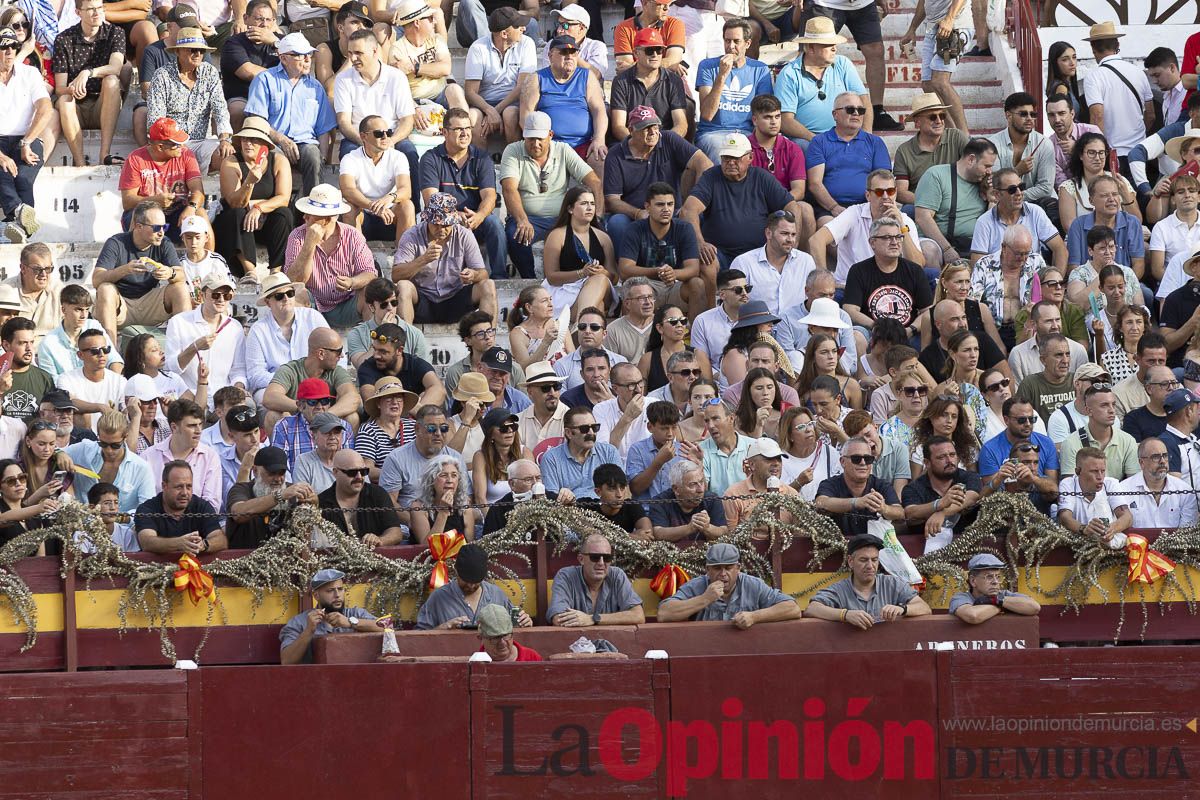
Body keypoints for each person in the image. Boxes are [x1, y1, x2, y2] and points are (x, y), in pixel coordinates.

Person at [499, 110, 602, 279]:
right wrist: (522, 219)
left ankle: (591, 279)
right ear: (524, 136)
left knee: (599, 230)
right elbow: (509, 189)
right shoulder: (513, 150)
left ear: (550, 135)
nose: (536, 143)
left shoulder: (563, 149)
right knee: (515, 233)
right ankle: (529, 281)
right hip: (528, 217)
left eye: (540, 138)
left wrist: (597, 215)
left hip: (562, 217)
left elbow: (594, 182)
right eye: (531, 138)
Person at [680, 132, 800, 273]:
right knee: (707, 263)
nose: (731, 162)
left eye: (736, 158)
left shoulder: (762, 178)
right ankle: (712, 296)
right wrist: (700, 243)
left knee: (804, 208)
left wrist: (794, 242)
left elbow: (792, 205)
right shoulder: (711, 177)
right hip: (720, 252)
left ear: (750, 157)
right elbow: (688, 210)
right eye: (726, 158)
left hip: (760, 253)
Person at [603, 108, 709, 253]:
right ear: (631, 130)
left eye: (655, 126)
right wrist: (637, 213)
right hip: (636, 216)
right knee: (617, 222)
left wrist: (693, 200)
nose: (653, 132)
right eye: (645, 128)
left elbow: (704, 163)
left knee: (696, 216)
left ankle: (685, 268)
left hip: (671, 211)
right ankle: (624, 268)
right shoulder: (616, 154)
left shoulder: (669, 139)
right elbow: (612, 200)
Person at [243, 32, 337, 196]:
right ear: (283, 58)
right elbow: (256, 120)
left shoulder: (315, 87)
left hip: (305, 144)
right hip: (272, 143)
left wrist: (322, 158)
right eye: (300, 55)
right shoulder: (265, 79)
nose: (308, 59)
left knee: (313, 155)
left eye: (309, 54)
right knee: (275, 157)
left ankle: (313, 210)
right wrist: (280, 138)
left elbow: (323, 129)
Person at [394, 189, 503, 327]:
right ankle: (406, 343)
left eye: (446, 225)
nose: (441, 229)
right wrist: (422, 260)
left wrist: (473, 275)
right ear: (427, 220)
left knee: (488, 285)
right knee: (403, 286)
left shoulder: (464, 234)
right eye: (436, 224)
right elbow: (396, 275)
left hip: (455, 300)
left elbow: (483, 274)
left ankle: (488, 341)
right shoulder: (411, 235)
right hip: (423, 301)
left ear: (453, 222)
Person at [418, 108, 506, 277]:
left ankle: (499, 277)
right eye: (458, 129)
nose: (465, 133)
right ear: (444, 132)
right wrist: (455, 215)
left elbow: (490, 196)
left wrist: (479, 216)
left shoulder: (482, 158)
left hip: (475, 218)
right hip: (444, 221)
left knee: (494, 223)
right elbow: (431, 199)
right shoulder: (431, 158)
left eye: (468, 128)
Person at [808, 168, 926, 289]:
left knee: (930, 277)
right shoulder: (854, 214)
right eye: (880, 192)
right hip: (851, 288)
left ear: (895, 193)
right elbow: (816, 240)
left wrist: (901, 227)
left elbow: (917, 266)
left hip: (889, 292)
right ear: (868, 195)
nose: (886, 197)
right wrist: (824, 280)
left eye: (890, 191)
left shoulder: (904, 221)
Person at [91, 200, 190, 344]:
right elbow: (96, 280)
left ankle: (183, 349)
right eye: (156, 227)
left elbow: (181, 275)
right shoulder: (116, 242)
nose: (161, 233)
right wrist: (124, 270)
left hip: (150, 304)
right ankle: (110, 355)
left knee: (180, 288)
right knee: (105, 289)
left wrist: (170, 273)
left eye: (165, 227)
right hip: (121, 306)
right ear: (138, 226)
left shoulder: (165, 243)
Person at [284, 184, 377, 328]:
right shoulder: (297, 236)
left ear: (327, 219)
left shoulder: (352, 235)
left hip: (347, 304)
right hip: (312, 305)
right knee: (297, 293)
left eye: (310, 214)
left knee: (371, 291)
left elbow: (370, 273)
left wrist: (352, 282)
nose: (304, 217)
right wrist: (309, 244)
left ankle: (373, 345)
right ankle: (298, 347)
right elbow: (293, 281)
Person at [213, 117, 296, 277]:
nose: (248, 143)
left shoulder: (279, 160)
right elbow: (235, 202)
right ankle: (250, 272)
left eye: (254, 139)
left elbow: (283, 198)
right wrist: (249, 182)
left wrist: (258, 208)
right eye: (245, 138)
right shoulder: (231, 162)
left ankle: (276, 272)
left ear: (264, 143)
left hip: (266, 223)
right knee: (237, 213)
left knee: (284, 214)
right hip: (237, 227)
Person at [332, 27, 418, 178]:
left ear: (375, 51)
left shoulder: (396, 77)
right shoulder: (343, 79)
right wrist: (365, 142)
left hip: (391, 137)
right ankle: (353, 201)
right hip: (359, 138)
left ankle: (413, 202)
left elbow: (407, 120)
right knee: (347, 153)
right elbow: (343, 122)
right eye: (350, 53)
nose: (352, 59)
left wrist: (391, 141)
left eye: (358, 53)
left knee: (409, 152)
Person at [146, 27, 231, 175]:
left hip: (202, 142)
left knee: (227, 155)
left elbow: (220, 108)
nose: (198, 54)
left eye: (201, 50)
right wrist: (175, 144)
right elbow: (156, 120)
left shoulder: (210, 72)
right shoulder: (162, 76)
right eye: (192, 49)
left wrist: (224, 138)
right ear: (178, 52)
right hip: (171, 143)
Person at [774, 17, 869, 148]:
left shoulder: (843, 63)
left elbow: (864, 100)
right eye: (828, 44)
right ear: (811, 48)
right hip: (808, 139)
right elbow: (785, 120)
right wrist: (817, 139)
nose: (834, 48)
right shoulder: (789, 73)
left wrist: (866, 137)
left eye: (834, 44)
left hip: (847, 135)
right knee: (803, 146)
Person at [519, 34, 607, 175]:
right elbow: (525, 116)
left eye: (573, 53)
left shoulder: (587, 76)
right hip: (549, 145)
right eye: (564, 52)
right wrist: (541, 142)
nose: (569, 57)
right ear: (550, 55)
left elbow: (599, 110)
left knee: (600, 159)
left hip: (583, 144)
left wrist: (599, 139)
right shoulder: (537, 78)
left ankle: (599, 198)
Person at [52, 0, 126, 167]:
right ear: (78, 12)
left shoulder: (116, 33)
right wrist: (72, 89)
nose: (97, 13)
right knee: (64, 99)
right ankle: (79, 162)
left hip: (103, 105)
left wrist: (88, 72)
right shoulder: (63, 39)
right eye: (91, 9)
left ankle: (104, 154)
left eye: (99, 8)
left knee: (112, 81)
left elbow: (116, 67)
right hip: (75, 107)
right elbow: (59, 88)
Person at [616, 182, 706, 320]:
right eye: (660, 205)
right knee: (632, 288)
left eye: (670, 204)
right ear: (647, 207)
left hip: (674, 285)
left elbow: (693, 269)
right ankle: (631, 335)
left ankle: (695, 338)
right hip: (645, 285)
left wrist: (673, 273)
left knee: (697, 284)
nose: (666, 209)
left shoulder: (684, 229)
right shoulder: (634, 229)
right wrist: (657, 272)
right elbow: (624, 270)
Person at [657, 542, 801, 627]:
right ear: (708, 569)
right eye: (717, 568)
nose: (723, 573)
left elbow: (793, 609)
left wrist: (754, 616)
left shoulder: (752, 584)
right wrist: (705, 599)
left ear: (738, 568)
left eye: (728, 568)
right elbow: (664, 613)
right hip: (706, 652)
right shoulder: (697, 586)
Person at [805, 533, 931, 627]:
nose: (870, 566)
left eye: (874, 560)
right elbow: (811, 609)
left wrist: (902, 609)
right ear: (850, 561)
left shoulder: (892, 583)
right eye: (863, 560)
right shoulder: (839, 589)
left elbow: (924, 608)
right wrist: (845, 615)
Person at [694, 18, 772, 163]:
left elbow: (764, 112)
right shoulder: (707, 66)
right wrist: (722, 76)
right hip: (713, 133)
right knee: (722, 153)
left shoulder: (760, 70)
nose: (730, 46)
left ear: (747, 44)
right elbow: (707, 114)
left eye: (736, 41)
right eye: (727, 41)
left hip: (747, 133)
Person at [117, 116, 207, 241]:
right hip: (146, 215)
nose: (182, 146)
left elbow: (198, 191)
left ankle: (207, 259)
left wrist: (191, 207)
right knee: (137, 215)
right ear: (160, 146)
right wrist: (154, 201)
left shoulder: (186, 154)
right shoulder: (135, 159)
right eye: (176, 144)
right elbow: (127, 202)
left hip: (177, 214)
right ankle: (134, 255)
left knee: (201, 214)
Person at [163, 273, 246, 406]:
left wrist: (238, 387)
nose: (221, 299)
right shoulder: (179, 322)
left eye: (227, 296)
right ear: (202, 295)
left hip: (224, 398)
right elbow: (170, 369)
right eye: (215, 295)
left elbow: (239, 370)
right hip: (189, 396)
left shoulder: (235, 327)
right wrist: (194, 347)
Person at [264, 331, 361, 445]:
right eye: (338, 351)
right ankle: (279, 458)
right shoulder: (290, 370)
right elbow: (269, 397)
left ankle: (343, 457)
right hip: (297, 424)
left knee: (352, 417)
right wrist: (305, 410)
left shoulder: (336, 371)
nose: (342, 355)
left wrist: (324, 416)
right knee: (273, 416)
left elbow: (353, 398)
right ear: (321, 353)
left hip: (328, 426)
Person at [806, 92, 891, 221]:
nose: (856, 113)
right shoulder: (819, 142)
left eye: (861, 110)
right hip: (829, 209)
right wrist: (834, 207)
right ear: (835, 114)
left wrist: (871, 209)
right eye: (850, 109)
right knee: (826, 225)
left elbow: (883, 181)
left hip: (868, 207)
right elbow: (815, 184)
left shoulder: (875, 142)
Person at [244, 273, 328, 404]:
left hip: (315, 383)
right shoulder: (258, 330)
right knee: (270, 404)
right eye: (279, 296)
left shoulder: (313, 317)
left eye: (290, 293)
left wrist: (318, 381)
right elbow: (255, 375)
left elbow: (335, 353)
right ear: (267, 302)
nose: (286, 298)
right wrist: (288, 381)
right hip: (276, 387)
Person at [0, 25, 50, 244]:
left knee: (20, 178)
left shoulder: (29, 73)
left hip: (26, 138)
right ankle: (21, 218)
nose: (10, 51)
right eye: (3, 47)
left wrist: (26, 141)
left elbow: (46, 108)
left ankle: (14, 220)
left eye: (13, 46)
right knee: (4, 172)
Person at [1080, 22, 1154, 165]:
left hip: (1113, 153)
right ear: (1117, 45)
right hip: (1139, 151)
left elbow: (1097, 117)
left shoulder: (1094, 77)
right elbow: (1150, 115)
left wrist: (1099, 152)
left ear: (1093, 48)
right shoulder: (1138, 73)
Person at [843, 217, 934, 334]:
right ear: (872, 243)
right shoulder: (858, 270)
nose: (894, 242)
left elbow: (927, 311)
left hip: (908, 333)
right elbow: (850, 309)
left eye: (898, 237)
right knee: (857, 336)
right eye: (887, 238)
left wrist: (911, 330)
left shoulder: (915, 270)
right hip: (873, 332)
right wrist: (878, 327)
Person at [915, 138, 998, 264]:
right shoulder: (936, 175)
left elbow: (995, 224)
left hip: (975, 243)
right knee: (929, 250)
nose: (989, 171)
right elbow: (923, 218)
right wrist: (946, 249)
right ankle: (936, 283)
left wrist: (993, 198)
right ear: (971, 159)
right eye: (986, 166)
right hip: (939, 242)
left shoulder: (986, 183)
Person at [541, 189, 617, 323]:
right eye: (584, 203)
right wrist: (582, 273)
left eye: (592, 204)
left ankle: (579, 325)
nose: (589, 208)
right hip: (565, 292)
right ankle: (581, 328)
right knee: (597, 307)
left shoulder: (603, 237)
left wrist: (602, 272)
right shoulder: (557, 235)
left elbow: (614, 277)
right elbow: (551, 277)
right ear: (570, 209)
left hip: (599, 288)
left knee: (600, 278)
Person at [339, 114, 416, 245]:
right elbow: (347, 190)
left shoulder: (398, 157)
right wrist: (373, 206)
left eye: (388, 132)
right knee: (349, 208)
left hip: (390, 213)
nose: (385, 137)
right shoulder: (350, 158)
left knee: (407, 206)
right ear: (363, 136)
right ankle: (355, 258)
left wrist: (389, 198)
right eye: (379, 133)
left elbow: (406, 190)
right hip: (363, 213)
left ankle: (404, 259)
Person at [417, 543, 532, 630]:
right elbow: (418, 637)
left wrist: (525, 622)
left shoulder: (497, 595)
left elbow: (513, 629)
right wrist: (442, 628)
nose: (471, 585)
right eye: (466, 580)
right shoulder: (438, 598)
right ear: (456, 571)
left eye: (476, 581)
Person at [226, 445, 319, 550]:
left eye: (282, 473)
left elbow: (305, 536)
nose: (278, 479)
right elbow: (238, 513)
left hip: (285, 560)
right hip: (243, 560)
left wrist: (313, 504)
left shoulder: (292, 492)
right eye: (272, 473)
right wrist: (280, 496)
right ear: (255, 471)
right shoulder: (241, 489)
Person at [463, 7, 533, 146]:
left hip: (513, 103)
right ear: (504, 34)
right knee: (472, 117)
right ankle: (481, 164)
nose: (523, 29)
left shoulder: (527, 43)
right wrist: (489, 110)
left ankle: (513, 160)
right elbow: (470, 92)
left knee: (510, 114)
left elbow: (521, 87)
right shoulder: (478, 48)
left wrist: (496, 111)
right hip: (483, 104)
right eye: (518, 26)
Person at [279, 569, 381, 664]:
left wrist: (350, 622)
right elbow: (287, 661)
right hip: (316, 679)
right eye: (330, 590)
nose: (337, 595)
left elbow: (387, 626)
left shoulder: (355, 614)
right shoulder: (299, 622)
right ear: (316, 595)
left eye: (340, 589)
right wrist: (308, 631)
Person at [379, 404, 468, 513]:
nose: (438, 434)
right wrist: (415, 522)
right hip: (408, 524)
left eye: (444, 428)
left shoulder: (455, 458)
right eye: (431, 428)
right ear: (417, 429)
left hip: (450, 521)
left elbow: (466, 497)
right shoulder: (396, 458)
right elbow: (390, 502)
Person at [61, 408, 154, 513]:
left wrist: (122, 519)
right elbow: (49, 452)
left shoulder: (141, 468)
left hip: (122, 528)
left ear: (125, 437)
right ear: (98, 437)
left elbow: (148, 509)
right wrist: (59, 454)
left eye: (115, 445)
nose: (109, 450)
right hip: (81, 525)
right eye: (103, 444)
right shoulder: (84, 449)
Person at [970, 168, 1066, 268]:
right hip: (999, 281)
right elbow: (977, 266)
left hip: (1034, 279)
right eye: (1012, 190)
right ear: (997, 195)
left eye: (1021, 187)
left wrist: (1055, 280)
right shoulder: (984, 222)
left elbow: (1060, 249)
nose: (1019, 193)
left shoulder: (1035, 212)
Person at [898, 0, 969, 132]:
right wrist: (912, 29)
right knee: (928, 84)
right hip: (933, 27)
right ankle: (952, 134)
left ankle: (965, 138)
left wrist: (949, 19)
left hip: (955, 25)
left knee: (940, 82)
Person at [546, 532, 645, 626]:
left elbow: (638, 615)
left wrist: (592, 619)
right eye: (595, 557)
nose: (601, 563)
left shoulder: (617, 575)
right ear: (581, 559)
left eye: (607, 558)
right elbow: (558, 618)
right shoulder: (566, 576)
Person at [984, 92, 1057, 220]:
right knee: (992, 204)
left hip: (1036, 202)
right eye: (1023, 114)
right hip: (1004, 203)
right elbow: (994, 184)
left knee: (1051, 204)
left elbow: (1045, 188)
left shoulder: (1044, 144)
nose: (1029, 118)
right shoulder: (993, 144)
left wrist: (1016, 196)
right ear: (1009, 116)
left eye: (1032, 114)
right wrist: (1017, 171)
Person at [731, 209, 816, 318]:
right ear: (768, 233)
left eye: (793, 234)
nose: (790, 239)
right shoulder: (743, 263)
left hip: (797, 331)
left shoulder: (806, 261)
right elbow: (733, 305)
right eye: (785, 233)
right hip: (756, 331)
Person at [814, 436, 905, 537]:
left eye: (868, 459)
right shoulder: (830, 484)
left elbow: (900, 512)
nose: (863, 463)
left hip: (875, 547)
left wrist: (884, 508)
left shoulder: (881, 485)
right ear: (842, 462)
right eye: (856, 459)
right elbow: (821, 502)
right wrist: (857, 502)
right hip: (838, 546)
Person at [391, 0, 468, 117]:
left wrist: (414, 67)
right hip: (414, 100)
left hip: (441, 94)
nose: (435, 21)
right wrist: (413, 107)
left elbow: (445, 69)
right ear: (417, 22)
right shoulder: (397, 49)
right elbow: (395, 89)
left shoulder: (436, 40)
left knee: (455, 90)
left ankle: (464, 128)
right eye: (430, 18)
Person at [135, 459, 227, 556]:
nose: (184, 493)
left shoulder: (202, 506)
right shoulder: (147, 509)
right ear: (164, 486)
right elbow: (147, 542)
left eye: (189, 486)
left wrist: (203, 545)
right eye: (178, 487)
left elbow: (221, 539)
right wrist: (180, 543)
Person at [901, 435, 981, 546]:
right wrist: (939, 504)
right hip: (925, 552)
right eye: (941, 457)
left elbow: (972, 496)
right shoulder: (914, 488)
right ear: (927, 463)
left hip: (967, 546)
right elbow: (910, 512)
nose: (949, 461)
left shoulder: (969, 477)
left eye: (952, 455)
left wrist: (943, 512)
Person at [893, 92, 968, 207]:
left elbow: (976, 164)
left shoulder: (956, 137)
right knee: (908, 211)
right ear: (917, 122)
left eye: (942, 116)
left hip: (957, 201)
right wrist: (931, 202)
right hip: (921, 204)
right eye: (932, 117)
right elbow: (901, 193)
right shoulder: (904, 151)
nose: (939, 121)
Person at [317, 449, 405, 547]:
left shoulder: (377, 494)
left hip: (376, 558)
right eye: (352, 472)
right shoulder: (322, 502)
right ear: (335, 472)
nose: (359, 477)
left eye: (363, 471)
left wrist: (380, 540)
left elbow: (396, 532)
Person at [1057, 134, 1140, 233]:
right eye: (1091, 153)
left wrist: (1125, 195)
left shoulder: (1120, 181)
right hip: (1083, 242)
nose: (1097, 158)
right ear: (1080, 155)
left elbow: (1137, 222)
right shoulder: (1068, 187)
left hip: (1120, 240)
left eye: (1101, 153)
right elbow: (1070, 228)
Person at [218, 0, 280, 131]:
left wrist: (275, 43)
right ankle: (238, 149)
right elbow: (249, 72)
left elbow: (296, 66)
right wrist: (281, 75)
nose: (264, 25)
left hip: (276, 94)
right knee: (237, 110)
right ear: (245, 19)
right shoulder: (234, 43)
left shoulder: (280, 41)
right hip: (243, 95)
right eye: (259, 19)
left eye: (269, 20)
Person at [1064, 178, 1145, 275]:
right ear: (1091, 200)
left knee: (1146, 291)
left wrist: (1122, 286)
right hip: (1088, 284)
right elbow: (1074, 267)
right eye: (1104, 195)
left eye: (1115, 194)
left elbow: (1139, 265)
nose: (1112, 199)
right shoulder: (1078, 225)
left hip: (1123, 284)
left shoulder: (1132, 222)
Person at [347, 277, 430, 369]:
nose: (390, 308)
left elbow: (423, 370)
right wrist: (381, 334)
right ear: (371, 307)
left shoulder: (415, 334)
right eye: (384, 304)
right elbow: (361, 365)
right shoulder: (357, 334)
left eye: (394, 302)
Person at [539, 405, 620, 499]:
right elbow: (551, 499)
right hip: (570, 511)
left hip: (606, 510)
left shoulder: (609, 452)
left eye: (595, 427)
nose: (591, 433)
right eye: (584, 429)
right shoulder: (551, 458)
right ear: (569, 433)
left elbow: (622, 489)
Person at [722, 436, 799, 534]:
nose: (776, 463)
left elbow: (799, 537)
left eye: (779, 459)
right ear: (752, 465)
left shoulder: (792, 494)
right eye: (769, 459)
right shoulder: (733, 494)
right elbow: (730, 536)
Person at [1057, 446, 1133, 543]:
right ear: (1078, 471)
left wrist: (1112, 529)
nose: (1100, 477)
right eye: (1094, 471)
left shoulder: (1111, 483)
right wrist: (1084, 529)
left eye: (1103, 471)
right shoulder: (1067, 484)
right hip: (1075, 546)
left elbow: (1127, 517)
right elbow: (1064, 518)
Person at [356, 322, 444, 406]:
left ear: (399, 350)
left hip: (413, 419)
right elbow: (371, 401)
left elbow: (439, 390)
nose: (376, 356)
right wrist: (412, 407)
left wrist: (420, 411)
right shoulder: (367, 367)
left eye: (383, 352)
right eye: (375, 349)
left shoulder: (416, 364)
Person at [1121, 438, 1199, 529]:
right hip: (1135, 542)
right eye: (1156, 457)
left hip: (1175, 543)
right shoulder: (1123, 489)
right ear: (1142, 463)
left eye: (1165, 456)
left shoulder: (1185, 491)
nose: (1162, 461)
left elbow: (1186, 531)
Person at [444, 311, 524, 397]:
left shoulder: (514, 369)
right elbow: (453, 408)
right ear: (468, 340)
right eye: (480, 334)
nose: (487, 337)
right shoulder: (456, 372)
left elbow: (525, 404)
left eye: (490, 331)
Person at [1008, 301, 1090, 384]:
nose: (1055, 326)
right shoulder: (1018, 354)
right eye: (1048, 321)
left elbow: (1084, 390)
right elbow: (1017, 393)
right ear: (1034, 325)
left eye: (1057, 320)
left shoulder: (1078, 350)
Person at [949, 553, 1042, 624]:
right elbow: (973, 616)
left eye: (998, 577)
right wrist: (1002, 606)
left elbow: (1035, 607)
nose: (995, 582)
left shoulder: (1004, 595)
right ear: (973, 581)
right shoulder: (961, 598)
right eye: (989, 577)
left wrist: (997, 600)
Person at [1150, 176, 1200, 300]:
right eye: (1181, 192)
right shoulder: (1161, 227)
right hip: (1172, 287)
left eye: (1192, 190)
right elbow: (1157, 270)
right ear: (1172, 199)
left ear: (1199, 197)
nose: (1187, 195)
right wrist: (1183, 287)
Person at [690, 269, 751, 369]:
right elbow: (700, 361)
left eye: (747, 288)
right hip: (718, 382)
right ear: (722, 295)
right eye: (738, 290)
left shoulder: (756, 316)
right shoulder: (702, 321)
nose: (744, 293)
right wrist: (720, 377)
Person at [698, 398, 754, 497]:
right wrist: (698, 464)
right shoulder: (700, 451)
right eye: (707, 420)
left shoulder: (753, 446)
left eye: (715, 418)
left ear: (731, 419)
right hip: (717, 510)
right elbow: (701, 494)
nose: (710, 426)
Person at [0, 316, 52, 422]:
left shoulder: (44, 378)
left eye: (31, 342)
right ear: (6, 345)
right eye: (22, 343)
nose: (29, 348)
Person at [1045, 94, 1101, 192]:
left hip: (1101, 187)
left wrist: (1078, 150)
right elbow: (1061, 183)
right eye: (1051, 115)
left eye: (1062, 113)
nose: (1057, 120)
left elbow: (1108, 163)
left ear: (1072, 114)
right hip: (1073, 195)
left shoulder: (1091, 131)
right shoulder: (1048, 146)